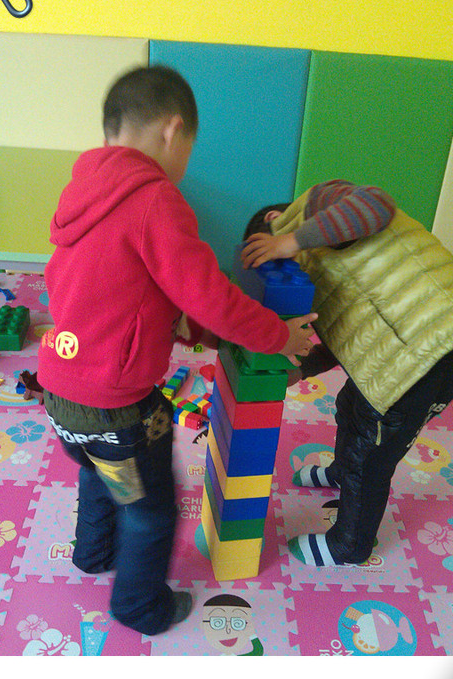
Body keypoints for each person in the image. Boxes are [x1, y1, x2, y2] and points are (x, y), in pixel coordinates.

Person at [37, 65, 317, 636]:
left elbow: (125, 290)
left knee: (99, 472)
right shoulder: (155, 200)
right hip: (117, 410)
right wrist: (278, 334)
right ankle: (139, 607)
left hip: (60, 392)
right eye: (189, 144)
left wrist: (188, 331)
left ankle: (92, 553)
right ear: (172, 130)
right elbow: (209, 295)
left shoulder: (83, 189)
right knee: (149, 510)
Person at [241, 179, 453, 568]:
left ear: (275, 219)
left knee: (371, 456)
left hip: (435, 346)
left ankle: (350, 545)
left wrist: (288, 241)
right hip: (400, 354)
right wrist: (301, 370)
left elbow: (376, 203)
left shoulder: (319, 206)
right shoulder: (318, 268)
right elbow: (347, 337)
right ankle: (343, 472)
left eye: (267, 254)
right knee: (350, 405)